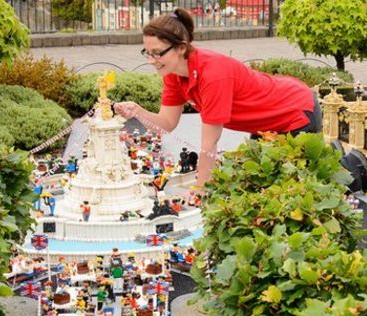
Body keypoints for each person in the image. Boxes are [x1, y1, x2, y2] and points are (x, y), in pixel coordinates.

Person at [113, 8, 322, 188]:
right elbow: (166, 124)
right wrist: (137, 111)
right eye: (147, 52)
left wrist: (200, 192)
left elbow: (209, 146)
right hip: (265, 125)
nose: (151, 61)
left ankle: (349, 166)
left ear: (181, 48)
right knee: (262, 181)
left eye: (157, 53)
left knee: (295, 185)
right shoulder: (173, 75)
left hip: (296, 111)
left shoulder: (213, 74)